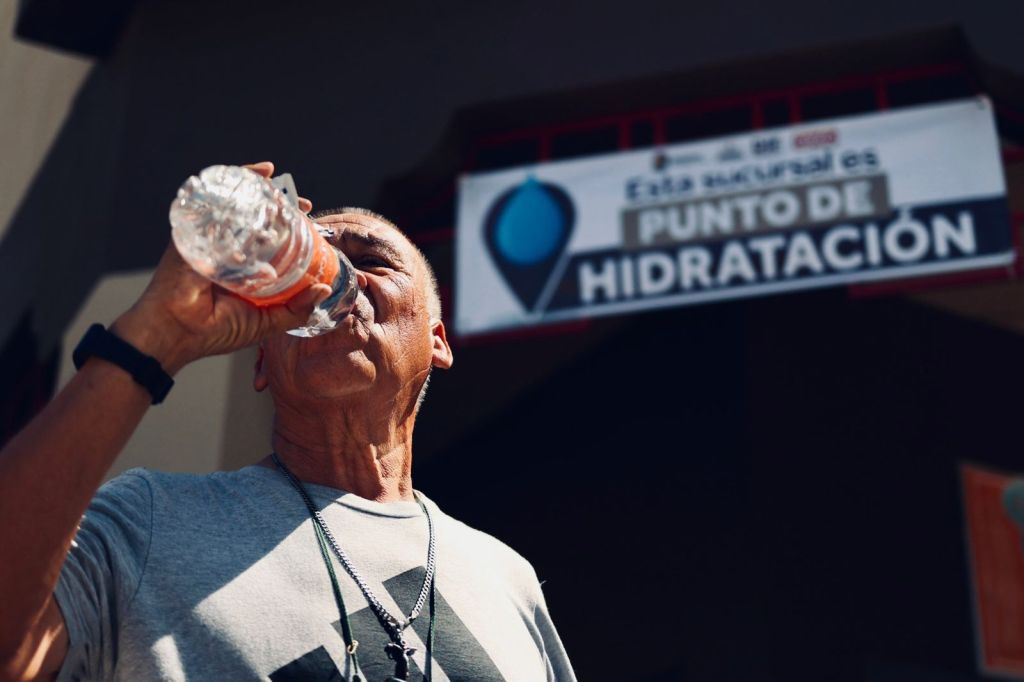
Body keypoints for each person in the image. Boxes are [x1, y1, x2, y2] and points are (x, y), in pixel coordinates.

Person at [0, 162, 576, 681]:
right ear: (261, 364)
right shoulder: (148, 524)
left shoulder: (504, 578)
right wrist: (160, 332)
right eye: (307, 273)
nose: (338, 281)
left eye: (373, 262)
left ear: (438, 341)